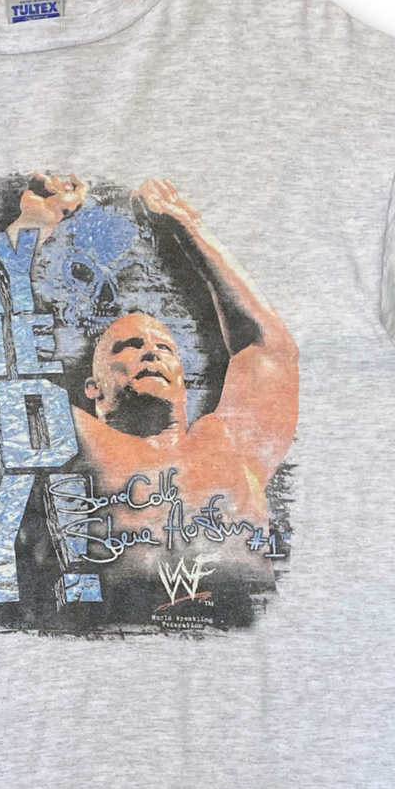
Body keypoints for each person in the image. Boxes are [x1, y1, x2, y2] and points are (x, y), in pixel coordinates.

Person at [67, 179, 299, 534]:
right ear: (93, 387)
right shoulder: (75, 437)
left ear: (183, 384)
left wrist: (188, 226)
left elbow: (270, 348)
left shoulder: (229, 446)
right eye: (129, 345)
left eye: (165, 348)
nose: (150, 352)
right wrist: (36, 221)